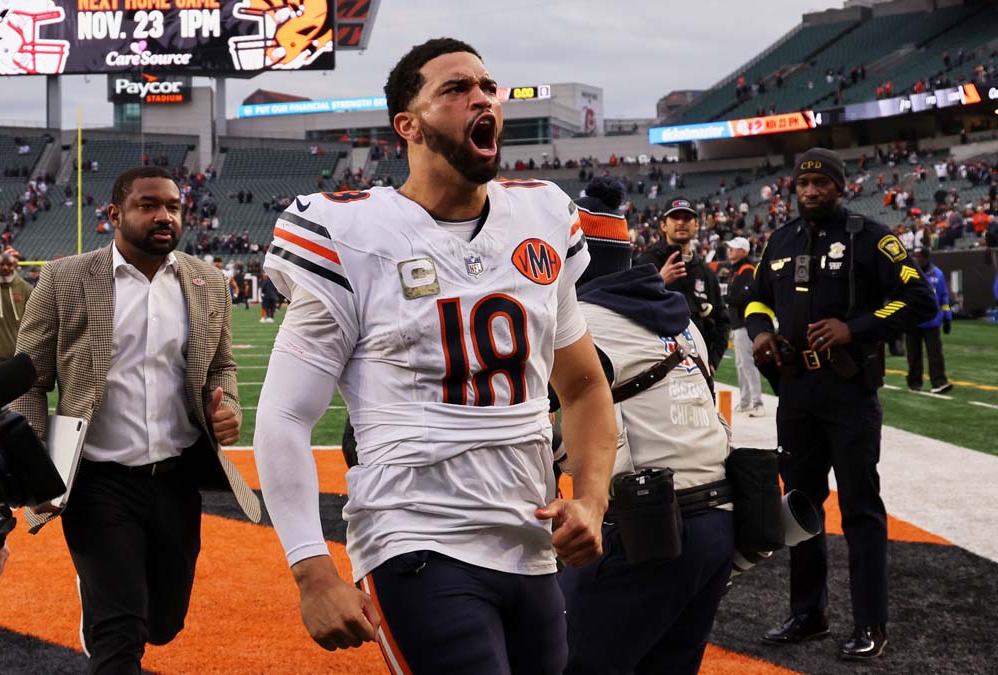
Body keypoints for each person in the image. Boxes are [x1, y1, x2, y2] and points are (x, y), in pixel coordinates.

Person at [253, 38, 617, 673]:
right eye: (454, 89)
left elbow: (583, 387)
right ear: (408, 125)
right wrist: (312, 571)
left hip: (530, 540)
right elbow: (284, 417)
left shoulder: (541, 214)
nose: (480, 97)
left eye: (485, 85)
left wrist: (591, 498)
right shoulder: (352, 232)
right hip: (416, 537)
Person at [12, 166, 260, 675]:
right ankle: (104, 606)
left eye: (172, 206)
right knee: (120, 636)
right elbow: (27, 381)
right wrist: (35, 465)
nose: (164, 215)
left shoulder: (207, 281)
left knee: (162, 622)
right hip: (97, 481)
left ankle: (106, 601)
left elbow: (221, 365)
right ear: (114, 215)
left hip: (174, 478)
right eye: (148, 205)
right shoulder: (65, 278)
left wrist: (228, 405)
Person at [746, 148, 936, 660]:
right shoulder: (780, 240)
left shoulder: (871, 236)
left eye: (821, 184)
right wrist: (761, 332)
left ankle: (871, 623)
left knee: (860, 508)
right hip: (796, 392)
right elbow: (756, 297)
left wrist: (853, 327)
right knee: (800, 506)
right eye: (803, 184)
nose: (810, 192)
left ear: (839, 187)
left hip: (849, 391)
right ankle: (809, 613)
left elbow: (920, 301)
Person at [559, 176, 734, 675]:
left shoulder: (583, 323)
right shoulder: (682, 319)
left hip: (649, 526)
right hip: (719, 522)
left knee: (564, 657)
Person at [635, 198, 730, 372]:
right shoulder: (645, 263)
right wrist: (659, 282)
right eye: (675, 217)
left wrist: (713, 361)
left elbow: (722, 319)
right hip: (656, 368)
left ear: (696, 225)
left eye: (687, 218)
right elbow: (629, 308)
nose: (681, 222)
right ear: (663, 225)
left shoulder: (705, 272)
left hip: (696, 370)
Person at [725, 236, 765, 415]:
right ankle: (745, 401)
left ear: (743, 251)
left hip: (744, 322)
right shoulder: (737, 270)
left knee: (747, 363)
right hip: (737, 323)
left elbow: (745, 296)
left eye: (733, 248)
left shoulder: (746, 269)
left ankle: (757, 402)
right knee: (741, 364)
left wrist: (727, 299)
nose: (730, 251)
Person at [905, 248, 952, 393]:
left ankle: (939, 382)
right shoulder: (907, 273)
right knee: (913, 354)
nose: (915, 259)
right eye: (914, 256)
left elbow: (944, 297)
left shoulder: (938, 275)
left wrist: (947, 317)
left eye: (918, 257)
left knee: (935, 353)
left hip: (932, 321)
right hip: (913, 321)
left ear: (926, 258)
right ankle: (914, 383)